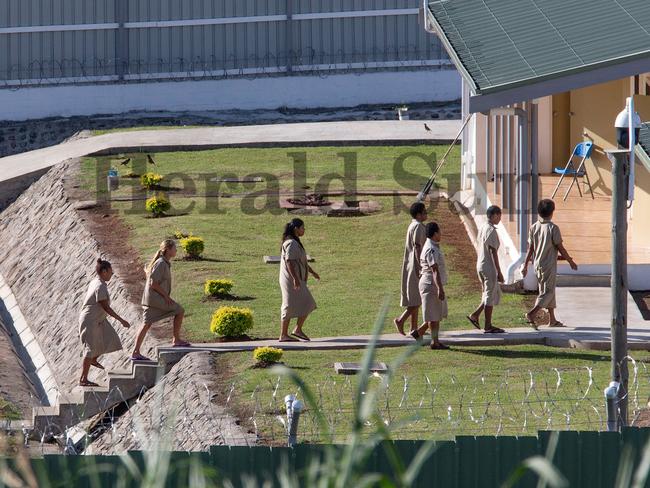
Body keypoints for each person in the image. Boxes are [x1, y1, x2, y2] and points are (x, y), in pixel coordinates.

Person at [521, 199, 578, 329]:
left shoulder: (534, 227)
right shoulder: (553, 228)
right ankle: (532, 314)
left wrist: (525, 265)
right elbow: (560, 247)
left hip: (537, 265)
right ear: (552, 212)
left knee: (546, 290)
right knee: (548, 292)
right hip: (548, 266)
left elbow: (531, 248)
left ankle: (552, 320)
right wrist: (570, 261)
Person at [132, 239, 190, 361]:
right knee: (179, 310)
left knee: (146, 324)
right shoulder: (161, 263)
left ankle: (135, 352)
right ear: (168, 250)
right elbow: (153, 283)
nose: (176, 250)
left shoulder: (163, 262)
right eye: (174, 248)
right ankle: (176, 339)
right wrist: (166, 296)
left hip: (151, 300)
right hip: (155, 299)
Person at [78, 258, 130, 387]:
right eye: (111, 272)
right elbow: (106, 307)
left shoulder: (97, 281)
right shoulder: (100, 286)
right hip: (90, 320)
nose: (112, 275)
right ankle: (83, 379)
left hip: (99, 319)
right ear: (105, 271)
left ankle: (94, 360)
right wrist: (121, 320)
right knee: (89, 349)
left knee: (111, 338)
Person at [279, 218, 319, 342]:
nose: (304, 230)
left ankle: (297, 330)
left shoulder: (295, 242)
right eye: (302, 228)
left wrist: (312, 273)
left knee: (308, 303)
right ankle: (284, 335)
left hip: (296, 278)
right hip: (290, 279)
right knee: (289, 304)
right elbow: (289, 261)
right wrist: (295, 279)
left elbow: (301, 261)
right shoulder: (291, 243)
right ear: (296, 229)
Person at [467, 206, 506, 333]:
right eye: (499, 216)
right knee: (489, 295)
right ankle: (488, 325)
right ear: (494, 215)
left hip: (480, 265)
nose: (500, 218)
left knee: (488, 293)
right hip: (488, 266)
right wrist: (499, 271)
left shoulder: (483, 227)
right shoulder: (491, 230)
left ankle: (475, 315)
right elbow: (493, 252)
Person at [411, 222, 449, 350]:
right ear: (434, 234)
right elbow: (434, 270)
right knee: (434, 316)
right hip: (430, 284)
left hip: (431, 283)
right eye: (439, 231)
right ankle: (435, 342)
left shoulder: (432, 245)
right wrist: (440, 288)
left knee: (435, 314)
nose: (441, 234)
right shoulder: (431, 249)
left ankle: (419, 332)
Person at [394, 202, 428, 335]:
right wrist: (421, 266)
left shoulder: (413, 225)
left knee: (416, 298)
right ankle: (400, 320)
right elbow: (418, 247)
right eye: (424, 212)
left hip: (410, 264)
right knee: (416, 300)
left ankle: (413, 328)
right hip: (416, 266)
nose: (426, 214)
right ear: (419, 215)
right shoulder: (419, 227)